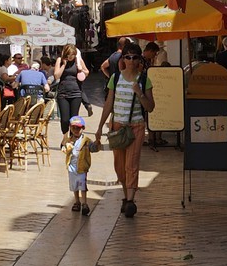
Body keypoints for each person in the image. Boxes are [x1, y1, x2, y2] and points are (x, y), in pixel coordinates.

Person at [94, 46, 154, 217]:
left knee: (131, 164)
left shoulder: (144, 79)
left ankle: (130, 200)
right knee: (119, 167)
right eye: (128, 57)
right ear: (123, 60)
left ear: (140, 60)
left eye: (135, 58)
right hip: (117, 127)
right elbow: (108, 103)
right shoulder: (116, 77)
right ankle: (126, 194)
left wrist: (140, 93)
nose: (132, 61)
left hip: (136, 126)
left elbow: (150, 107)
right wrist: (99, 127)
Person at [53, 44, 90, 133]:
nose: (71, 57)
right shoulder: (60, 60)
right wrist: (64, 65)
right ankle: (65, 138)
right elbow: (56, 76)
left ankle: (72, 139)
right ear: (65, 54)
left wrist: (80, 69)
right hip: (63, 94)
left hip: (76, 93)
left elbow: (87, 72)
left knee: (74, 119)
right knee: (65, 119)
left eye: (73, 55)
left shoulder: (78, 60)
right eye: (69, 55)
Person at [64, 113, 92, 216]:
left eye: (78, 128)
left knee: (82, 186)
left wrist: (97, 144)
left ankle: (84, 203)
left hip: (81, 167)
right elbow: (64, 149)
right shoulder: (69, 140)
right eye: (73, 128)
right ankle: (77, 201)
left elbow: (93, 148)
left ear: (83, 128)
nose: (76, 130)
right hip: (72, 167)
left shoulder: (86, 140)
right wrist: (66, 147)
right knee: (74, 186)